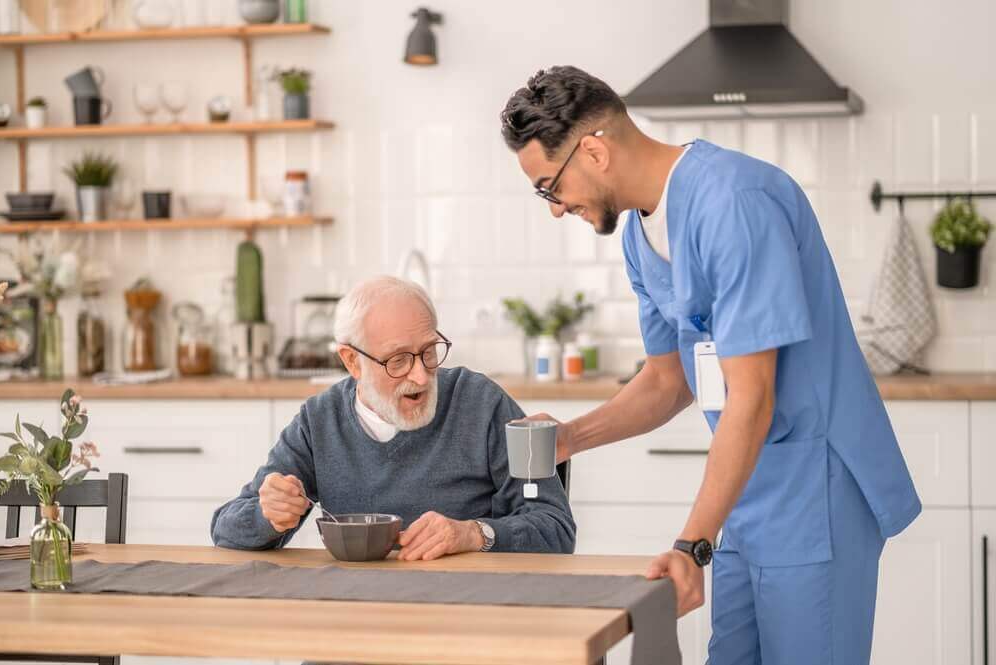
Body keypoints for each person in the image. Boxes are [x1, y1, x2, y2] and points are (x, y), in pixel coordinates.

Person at [499, 66, 920, 664]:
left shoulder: (734, 202)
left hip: (814, 489)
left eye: (550, 188)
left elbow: (752, 395)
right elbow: (667, 380)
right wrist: (568, 438)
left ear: (593, 151)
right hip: (745, 491)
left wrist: (692, 543)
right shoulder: (639, 235)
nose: (555, 208)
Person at [212, 276, 575, 559]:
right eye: (398, 360)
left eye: (429, 352)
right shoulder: (319, 421)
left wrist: (475, 534)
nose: (421, 376)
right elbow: (225, 528)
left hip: (465, 614)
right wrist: (267, 516)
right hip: (356, 614)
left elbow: (555, 528)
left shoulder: (481, 403)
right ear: (352, 361)